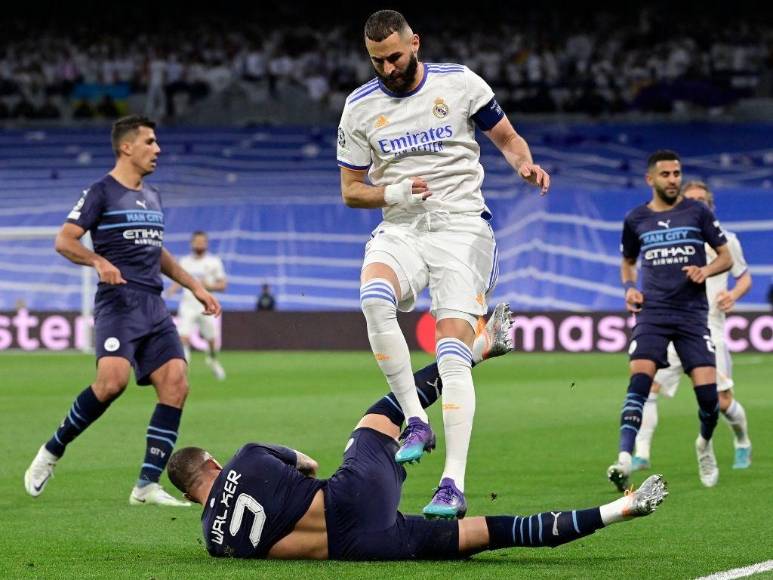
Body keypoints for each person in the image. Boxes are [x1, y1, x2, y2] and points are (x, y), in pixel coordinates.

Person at [166, 307, 667, 561]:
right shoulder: (247, 458)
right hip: (350, 496)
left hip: (363, 546)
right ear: (211, 462)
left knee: (487, 534)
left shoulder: (214, 542)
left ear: (192, 498)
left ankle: (622, 508)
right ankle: (479, 348)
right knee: (379, 413)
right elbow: (309, 465)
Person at [337, 9, 550, 518]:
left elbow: (505, 137)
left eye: (394, 56)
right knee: (373, 297)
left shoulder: (459, 83)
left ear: (415, 43)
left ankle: (452, 482)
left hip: (461, 229)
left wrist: (522, 160)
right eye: (376, 60)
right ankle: (415, 417)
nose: (387, 68)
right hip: (402, 227)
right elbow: (350, 191)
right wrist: (394, 191)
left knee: (452, 352)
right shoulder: (359, 108)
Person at [23, 115, 221, 506]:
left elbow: (156, 250)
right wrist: (97, 261)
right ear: (126, 147)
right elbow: (64, 240)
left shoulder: (153, 195)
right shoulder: (101, 192)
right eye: (149, 141)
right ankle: (51, 451)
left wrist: (194, 286)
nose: (157, 149)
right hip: (118, 303)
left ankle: (146, 485)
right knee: (112, 382)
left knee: (177, 383)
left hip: (153, 304)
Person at [607, 150, 732, 491]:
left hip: (692, 315)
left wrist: (705, 270)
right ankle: (623, 458)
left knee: (709, 399)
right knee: (640, 380)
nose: (674, 180)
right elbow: (628, 262)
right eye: (666, 175)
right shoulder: (636, 219)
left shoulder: (697, 212)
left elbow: (726, 257)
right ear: (651, 179)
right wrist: (630, 288)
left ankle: (704, 445)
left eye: (677, 173)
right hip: (654, 313)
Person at [633, 182, 753, 470]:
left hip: (709, 328)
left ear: (710, 204)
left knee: (721, 401)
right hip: (672, 322)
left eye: (703, 200)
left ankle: (742, 442)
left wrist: (733, 295)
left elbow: (745, 277)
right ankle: (641, 454)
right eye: (692, 200)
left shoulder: (727, 240)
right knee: (650, 388)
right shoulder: (670, 238)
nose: (698, 204)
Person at [167, 231, 228, 380]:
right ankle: (183, 370)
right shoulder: (185, 261)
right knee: (183, 337)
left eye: (202, 242)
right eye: (197, 241)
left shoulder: (214, 262)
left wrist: (208, 286)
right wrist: (171, 290)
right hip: (187, 304)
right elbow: (178, 279)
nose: (199, 244)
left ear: (206, 244)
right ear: (192, 243)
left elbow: (223, 285)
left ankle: (213, 360)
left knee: (212, 339)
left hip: (205, 306)